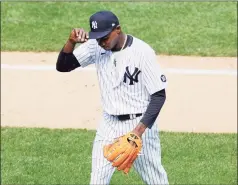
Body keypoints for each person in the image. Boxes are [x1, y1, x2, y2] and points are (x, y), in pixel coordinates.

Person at [56, 10, 169, 185]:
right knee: (97, 181)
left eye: (105, 38)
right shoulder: (96, 46)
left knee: (156, 180)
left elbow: (159, 96)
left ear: (118, 29)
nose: (101, 42)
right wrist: (71, 41)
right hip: (108, 124)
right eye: (98, 38)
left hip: (139, 125)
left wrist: (136, 134)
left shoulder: (142, 52)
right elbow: (63, 66)